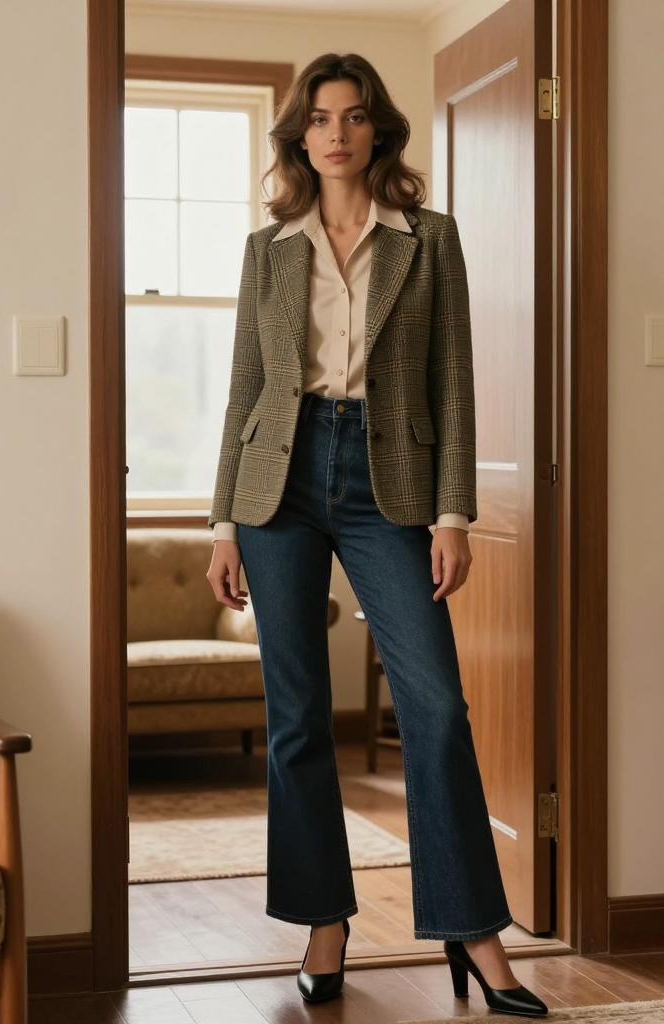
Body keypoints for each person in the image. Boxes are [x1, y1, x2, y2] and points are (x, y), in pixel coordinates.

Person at [205, 52, 547, 1018]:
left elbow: (454, 379)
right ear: (299, 136)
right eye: (319, 118)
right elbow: (245, 389)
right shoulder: (267, 249)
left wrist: (452, 514)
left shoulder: (428, 240)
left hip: (388, 480)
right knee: (299, 718)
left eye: (353, 116)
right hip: (281, 479)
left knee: (435, 708)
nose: (336, 133)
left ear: (376, 131)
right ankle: (324, 924)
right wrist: (224, 522)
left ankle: (475, 933)